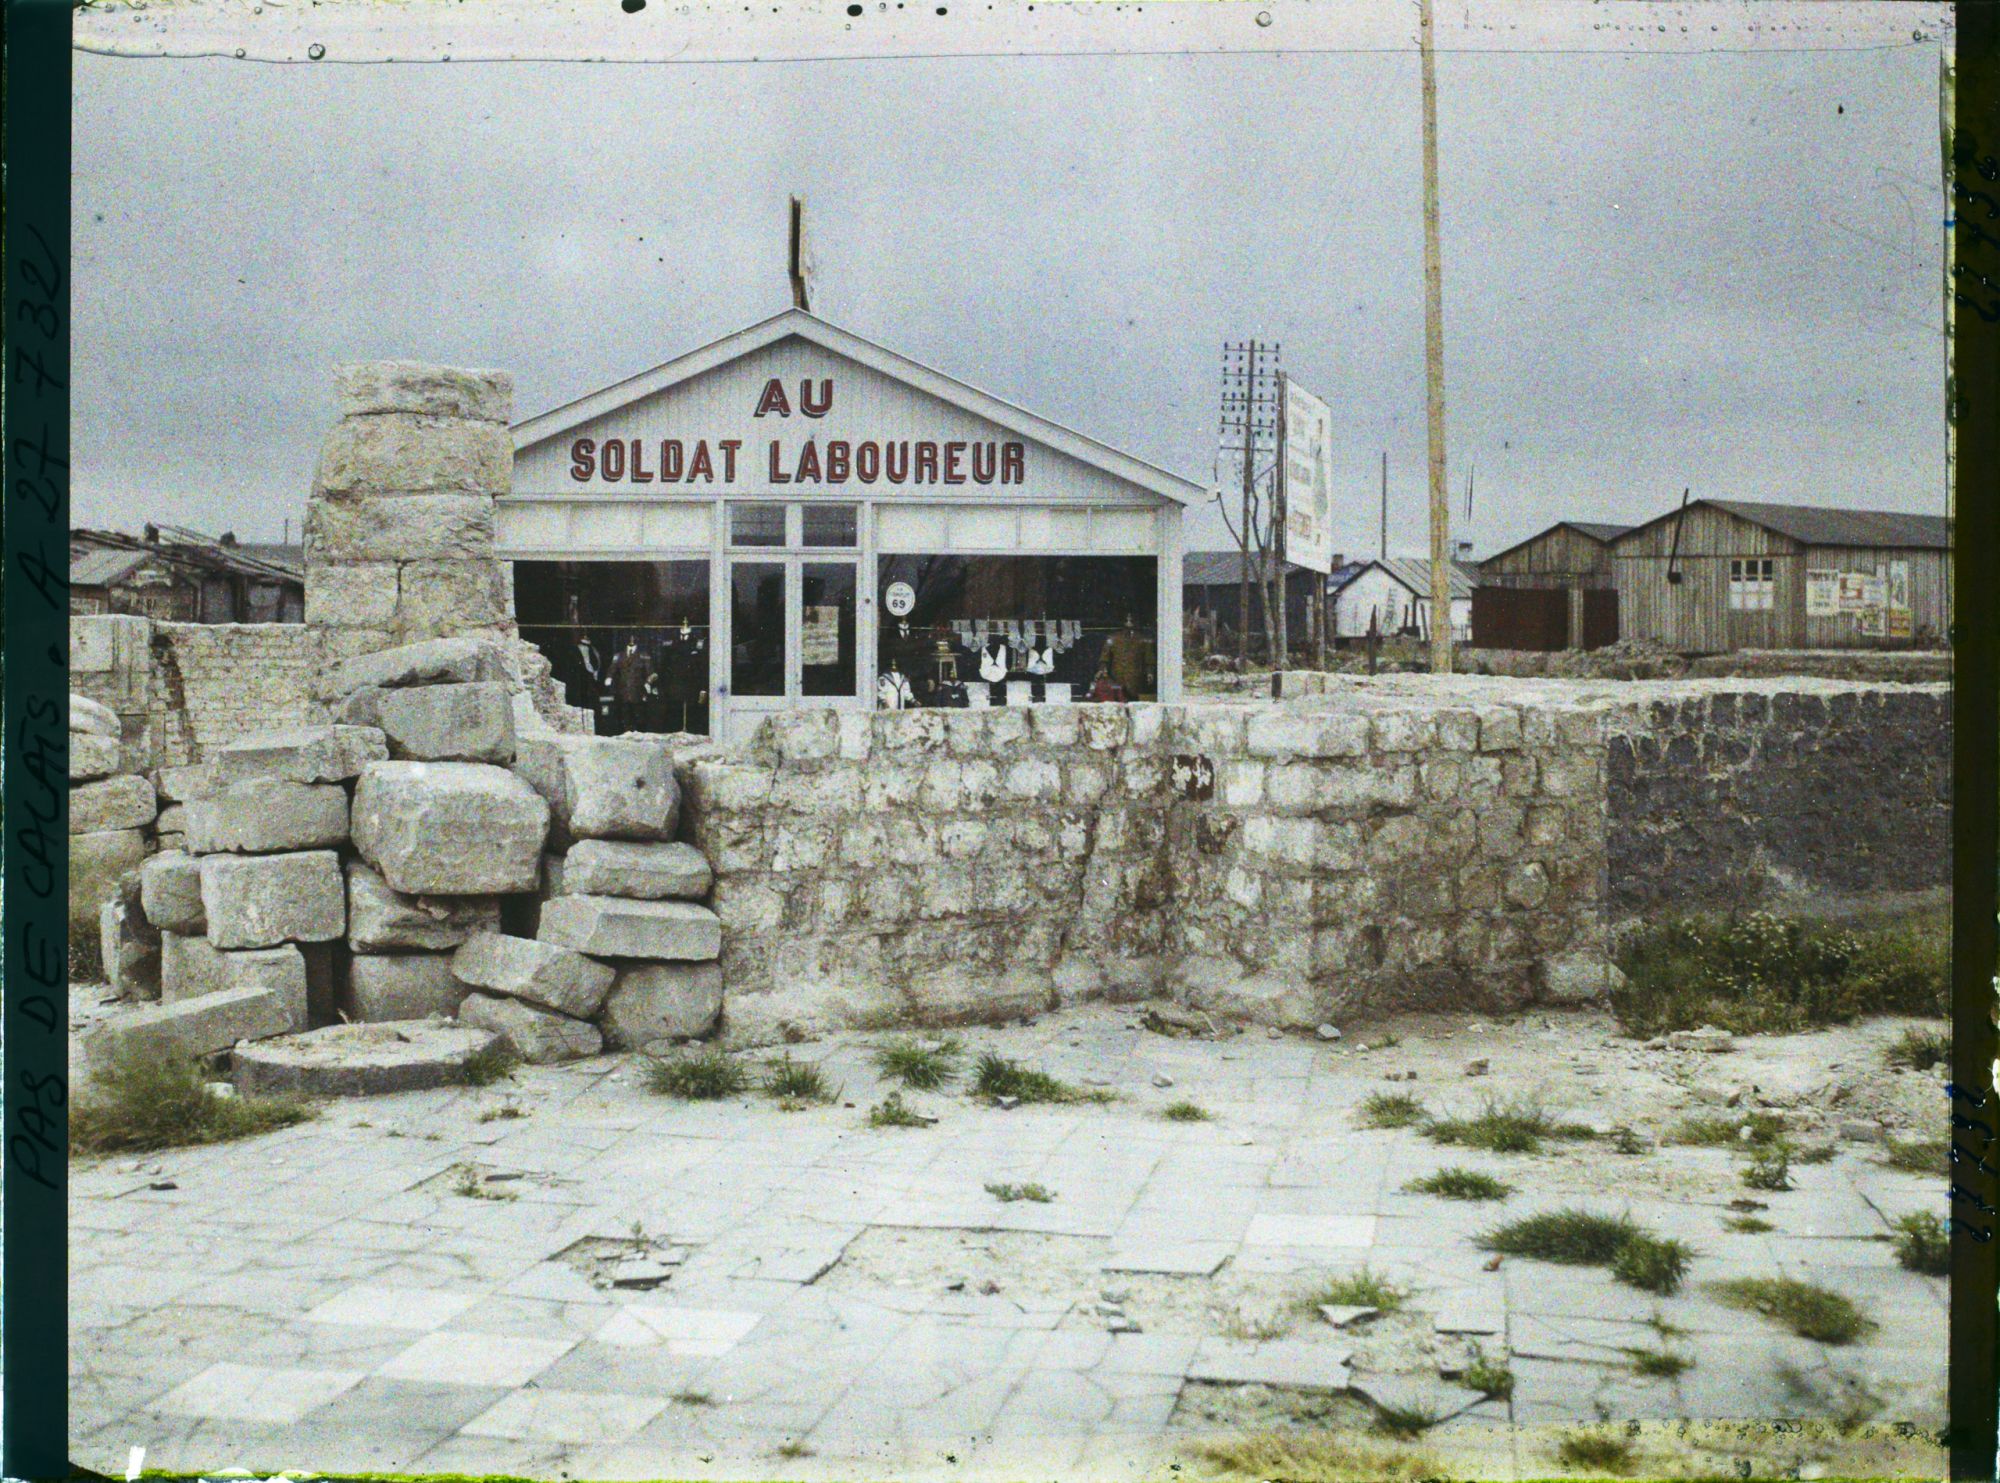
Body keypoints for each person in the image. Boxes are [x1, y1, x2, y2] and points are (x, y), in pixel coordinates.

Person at [606, 635, 653, 735]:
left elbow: (651, 672)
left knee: (638, 714)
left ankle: (638, 734)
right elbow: (612, 668)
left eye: (633, 639)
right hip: (623, 689)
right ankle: (625, 733)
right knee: (624, 713)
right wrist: (609, 677)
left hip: (638, 689)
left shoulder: (643, 655)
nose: (631, 641)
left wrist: (648, 683)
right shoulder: (619, 655)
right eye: (629, 639)